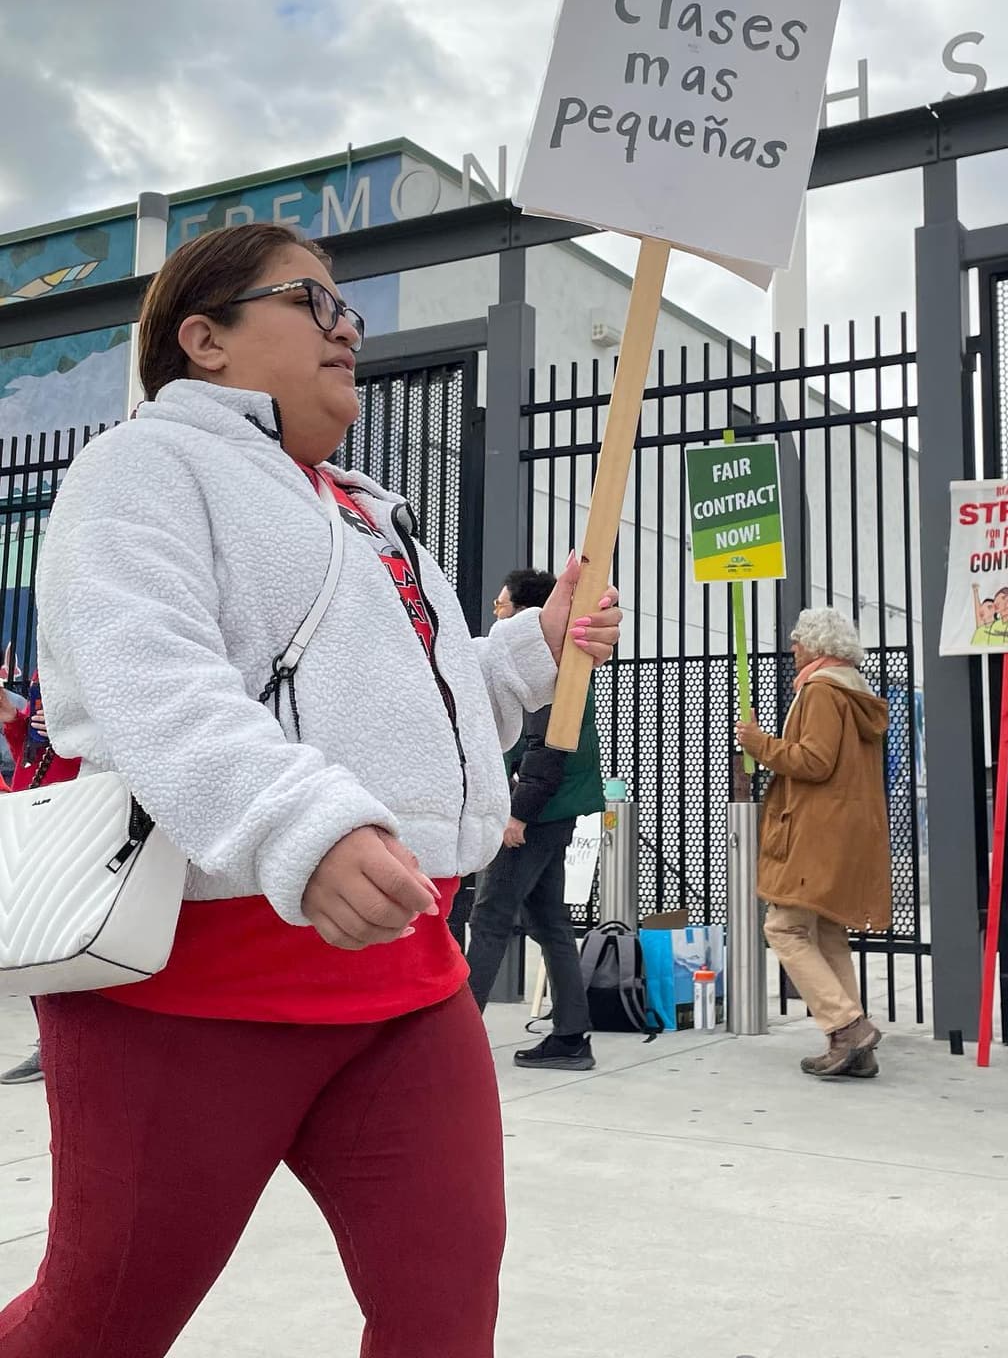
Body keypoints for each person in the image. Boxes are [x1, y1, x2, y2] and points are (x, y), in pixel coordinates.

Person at [0, 221, 622, 1358]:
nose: (350, 328)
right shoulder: (140, 467)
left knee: (442, 1314)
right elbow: (148, 683)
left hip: (403, 977)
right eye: (316, 302)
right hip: (190, 989)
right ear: (206, 339)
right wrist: (304, 823)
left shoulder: (370, 508)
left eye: (350, 310)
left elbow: (417, 712)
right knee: (97, 1326)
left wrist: (533, 645)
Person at [735, 607, 891, 1079]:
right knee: (826, 932)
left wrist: (760, 743)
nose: (793, 648)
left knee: (783, 927)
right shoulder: (853, 692)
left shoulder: (821, 692)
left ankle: (847, 1026)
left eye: (799, 641)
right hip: (845, 828)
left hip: (816, 829)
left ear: (819, 647)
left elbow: (815, 761)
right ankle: (853, 1047)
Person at [466, 569, 604, 1071]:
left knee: (489, 919)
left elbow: (547, 746)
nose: (496, 614)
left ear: (525, 614)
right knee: (550, 923)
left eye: (502, 607)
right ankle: (570, 1036)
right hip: (556, 808)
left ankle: (454, 1038)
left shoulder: (539, 662)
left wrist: (517, 814)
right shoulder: (563, 659)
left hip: (535, 812)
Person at [0, 676, 82, 1085]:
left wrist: (83, 731)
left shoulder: (95, 655)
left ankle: (59, 1044)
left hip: (70, 822)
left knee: (57, 941)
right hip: (33, 818)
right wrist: (16, 723)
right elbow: (33, 758)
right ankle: (50, 1042)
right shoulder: (43, 672)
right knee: (33, 942)